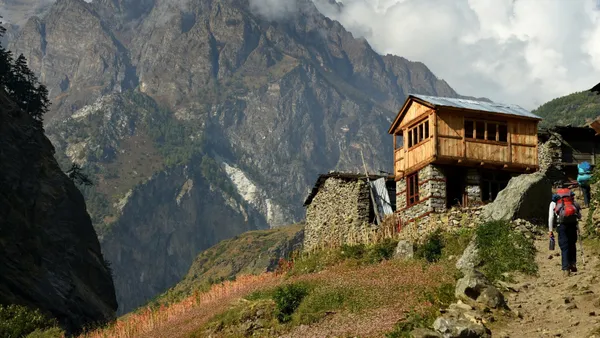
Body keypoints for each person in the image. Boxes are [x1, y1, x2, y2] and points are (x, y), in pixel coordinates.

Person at [549, 189, 582, 277]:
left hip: (561, 225)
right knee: (572, 244)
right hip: (572, 225)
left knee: (564, 246)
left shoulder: (554, 203)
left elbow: (551, 218)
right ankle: (573, 263)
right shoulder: (572, 201)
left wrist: (550, 230)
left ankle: (565, 269)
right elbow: (579, 215)